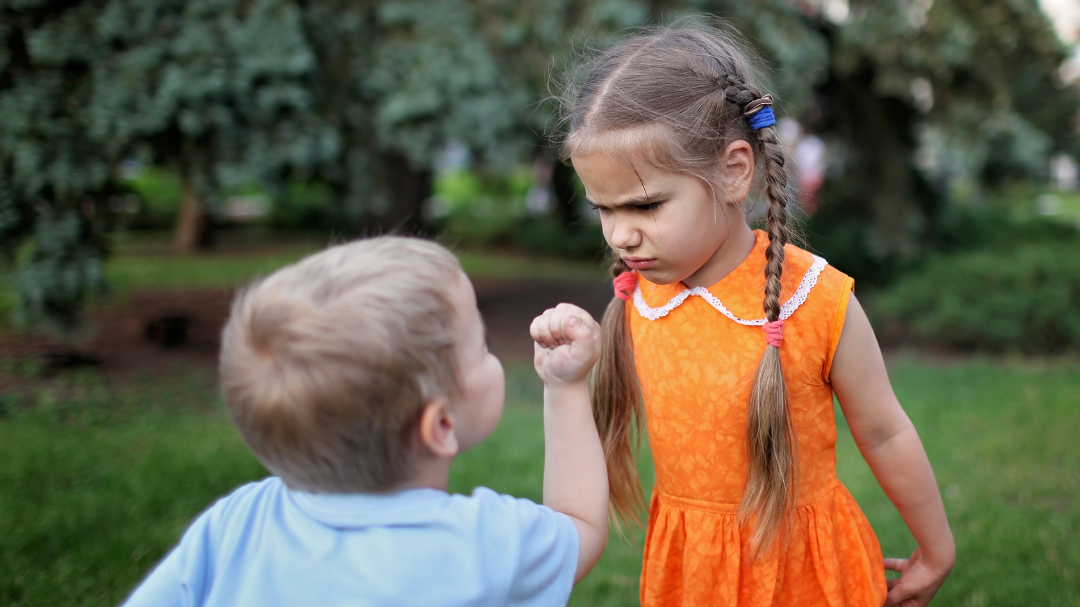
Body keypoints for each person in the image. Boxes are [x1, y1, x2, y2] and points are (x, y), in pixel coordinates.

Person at [561, 25, 955, 607]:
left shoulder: (812, 299)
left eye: (645, 205)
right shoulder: (638, 298)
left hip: (806, 576)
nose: (621, 234)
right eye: (604, 209)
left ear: (733, 170)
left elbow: (884, 431)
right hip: (692, 576)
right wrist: (563, 380)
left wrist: (937, 548)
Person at [121, 236, 608, 606]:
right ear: (439, 426)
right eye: (481, 346)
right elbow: (581, 525)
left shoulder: (237, 522)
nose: (489, 351)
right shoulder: (488, 544)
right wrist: (565, 388)